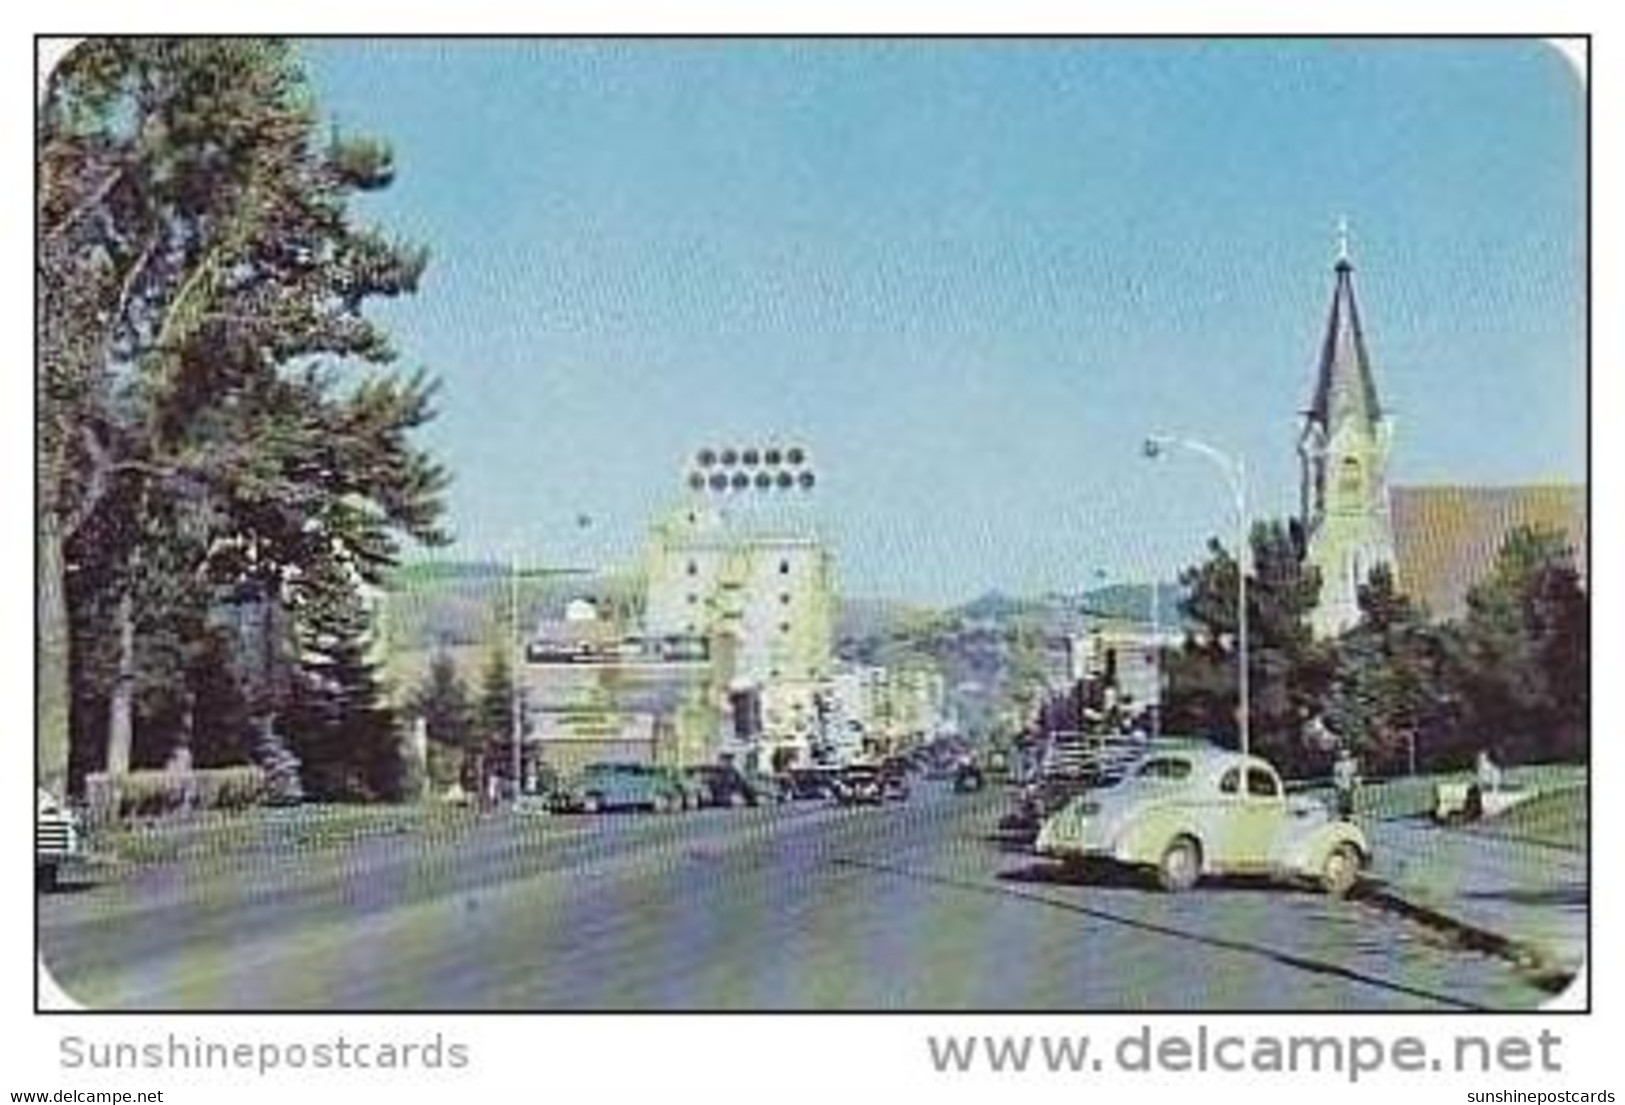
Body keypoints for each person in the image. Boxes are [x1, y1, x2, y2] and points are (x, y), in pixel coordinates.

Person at [1332, 747, 1361, 820]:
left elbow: (1354, 773)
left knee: (1350, 797)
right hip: (1341, 783)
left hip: (1349, 783)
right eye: (1343, 755)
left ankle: (1350, 810)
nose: (1345, 756)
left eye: (1346, 755)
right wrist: (1337, 783)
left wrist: (1355, 781)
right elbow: (1337, 774)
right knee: (1342, 797)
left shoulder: (1352, 763)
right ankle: (1342, 811)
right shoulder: (1337, 764)